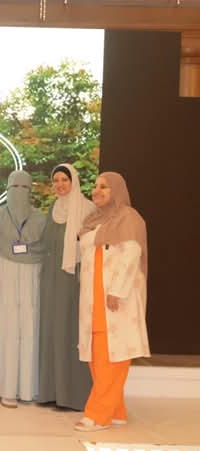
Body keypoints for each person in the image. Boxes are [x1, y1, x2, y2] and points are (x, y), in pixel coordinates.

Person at [74, 172, 149, 431]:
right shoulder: (93, 221)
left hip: (117, 301)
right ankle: (116, 410)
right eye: (95, 186)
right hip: (94, 303)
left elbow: (131, 256)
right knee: (98, 359)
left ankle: (98, 415)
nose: (97, 190)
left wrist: (117, 290)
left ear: (116, 190)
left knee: (113, 359)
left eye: (104, 187)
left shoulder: (129, 218)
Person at [37, 164, 96, 411]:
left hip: (73, 280)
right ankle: (51, 392)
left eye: (65, 180)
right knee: (52, 330)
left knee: (70, 331)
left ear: (74, 181)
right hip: (51, 278)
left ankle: (74, 395)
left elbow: (93, 246)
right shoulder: (53, 208)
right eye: (56, 180)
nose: (60, 185)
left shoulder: (87, 209)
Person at [0, 170, 46, 408]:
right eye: (15, 187)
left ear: (30, 190)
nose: (19, 192)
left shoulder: (41, 219)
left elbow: (46, 249)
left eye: (24, 188)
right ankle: (5, 388)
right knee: (6, 330)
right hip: (4, 278)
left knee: (29, 331)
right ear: (7, 189)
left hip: (31, 279)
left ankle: (27, 389)